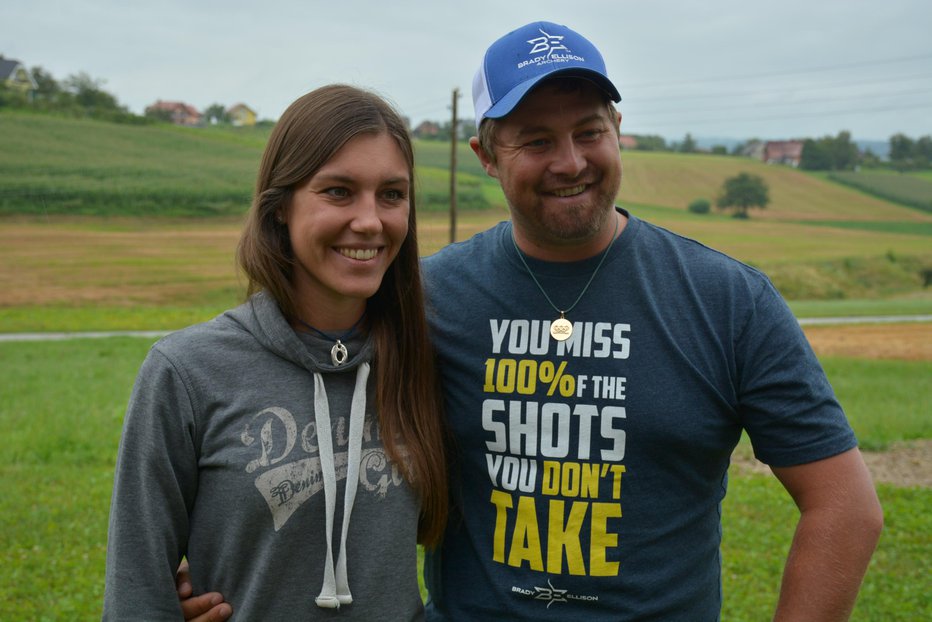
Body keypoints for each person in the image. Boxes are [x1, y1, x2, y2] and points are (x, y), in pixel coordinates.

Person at [180, 21, 883, 622]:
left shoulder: (728, 300)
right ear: (486, 154)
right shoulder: (424, 298)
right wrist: (203, 567)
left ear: (619, 133)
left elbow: (844, 508)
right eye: (536, 140)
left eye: (589, 132)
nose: (570, 162)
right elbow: (304, 413)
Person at [103, 84, 448, 621]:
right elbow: (137, 593)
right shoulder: (186, 372)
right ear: (280, 206)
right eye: (338, 191)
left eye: (392, 194)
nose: (370, 221)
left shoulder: (425, 357)